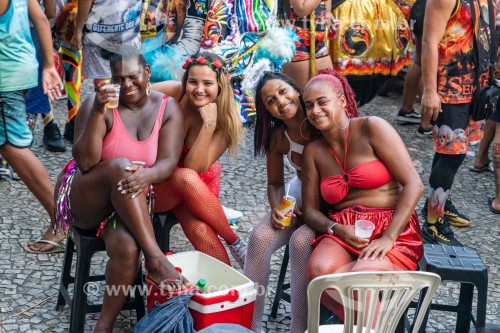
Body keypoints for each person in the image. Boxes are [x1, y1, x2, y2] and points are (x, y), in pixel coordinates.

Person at [53, 47, 191, 333]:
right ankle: (156, 259)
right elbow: (86, 162)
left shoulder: (167, 108)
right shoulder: (97, 103)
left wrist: (147, 175)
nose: (127, 85)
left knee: (128, 248)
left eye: (133, 76)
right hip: (85, 196)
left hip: (127, 203)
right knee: (119, 167)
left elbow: (167, 162)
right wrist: (97, 113)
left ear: (147, 73)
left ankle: (103, 326)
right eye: (119, 79)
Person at [302, 69, 424, 320]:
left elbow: (414, 184)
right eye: (309, 105)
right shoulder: (313, 151)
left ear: (342, 101)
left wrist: (389, 237)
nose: (315, 110)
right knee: (319, 272)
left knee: (360, 279)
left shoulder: (372, 128)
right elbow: (311, 211)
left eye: (322, 102)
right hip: (345, 229)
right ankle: (370, 325)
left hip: (392, 228)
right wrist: (335, 228)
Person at [152, 52, 247, 268]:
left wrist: (209, 125)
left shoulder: (226, 121)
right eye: (193, 82)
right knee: (184, 177)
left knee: (204, 236)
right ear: (185, 81)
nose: (199, 89)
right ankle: (235, 240)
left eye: (207, 83)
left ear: (220, 85)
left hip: (193, 190)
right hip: (158, 183)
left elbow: (195, 167)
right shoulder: (174, 92)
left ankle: (227, 295)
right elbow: (134, 91)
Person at [244, 72, 318, 333]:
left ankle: (299, 329)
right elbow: (275, 183)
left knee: (301, 244)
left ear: (297, 90)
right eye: (270, 100)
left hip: (329, 201)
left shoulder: (320, 118)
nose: (281, 101)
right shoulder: (278, 136)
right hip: (296, 194)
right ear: (267, 111)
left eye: (283, 92)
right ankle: (248, 326)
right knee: (260, 238)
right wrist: (277, 207)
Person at [420, 0, 495, 245]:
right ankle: (433, 223)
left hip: (476, 88)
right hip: (450, 89)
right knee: (453, 155)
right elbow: (429, 41)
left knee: (450, 152)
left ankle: (438, 200)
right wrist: (430, 91)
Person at [0, 0, 65, 254]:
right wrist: (48, 65)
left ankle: (61, 220)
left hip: (7, 79)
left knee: (14, 148)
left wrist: (50, 65)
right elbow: (41, 18)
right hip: (20, 69)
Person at [396, 0, 434, 137]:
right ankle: (426, 124)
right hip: (432, 10)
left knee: (419, 61)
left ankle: (406, 110)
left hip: (419, 9)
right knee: (429, 64)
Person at [281, 0, 333, 90]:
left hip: (320, 43)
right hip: (299, 44)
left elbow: (326, 8)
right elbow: (301, 10)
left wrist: (328, 15)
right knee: (305, 96)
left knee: (329, 91)